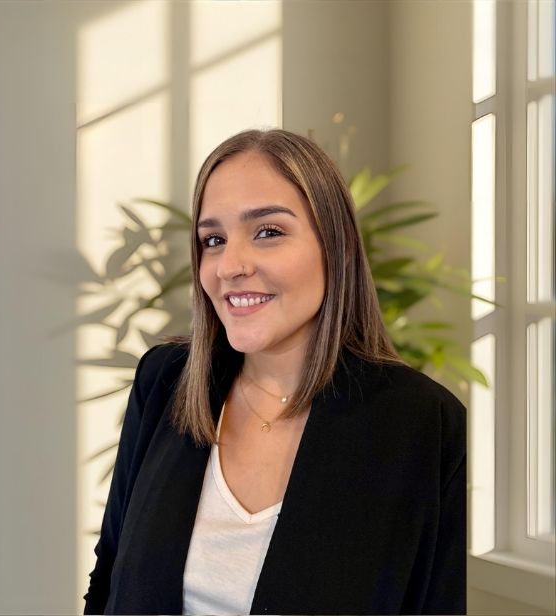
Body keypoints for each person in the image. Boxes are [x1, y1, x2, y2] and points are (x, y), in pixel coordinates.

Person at [83, 128, 466, 615]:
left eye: (268, 232)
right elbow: (109, 574)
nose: (229, 265)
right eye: (213, 239)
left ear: (336, 244)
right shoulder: (165, 381)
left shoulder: (426, 425)